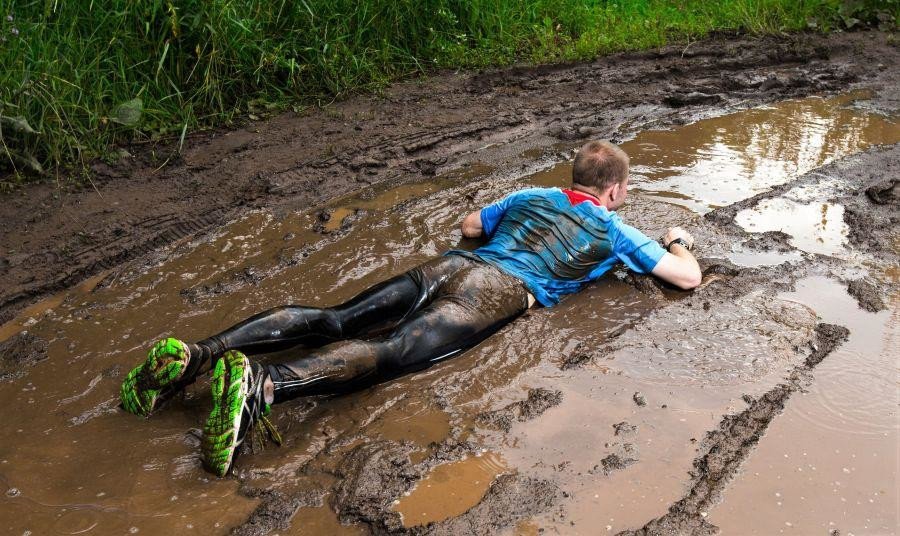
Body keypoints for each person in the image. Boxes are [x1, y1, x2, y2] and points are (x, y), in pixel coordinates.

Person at [120, 140, 701, 477]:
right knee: (394, 351)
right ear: (616, 190)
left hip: (447, 266)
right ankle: (264, 384)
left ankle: (202, 354)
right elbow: (686, 279)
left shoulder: (533, 195)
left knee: (336, 316)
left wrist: (498, 226)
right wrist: (677, 238)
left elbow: (471, 224)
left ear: (574, 177)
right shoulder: (614, 227)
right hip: (497, 291)